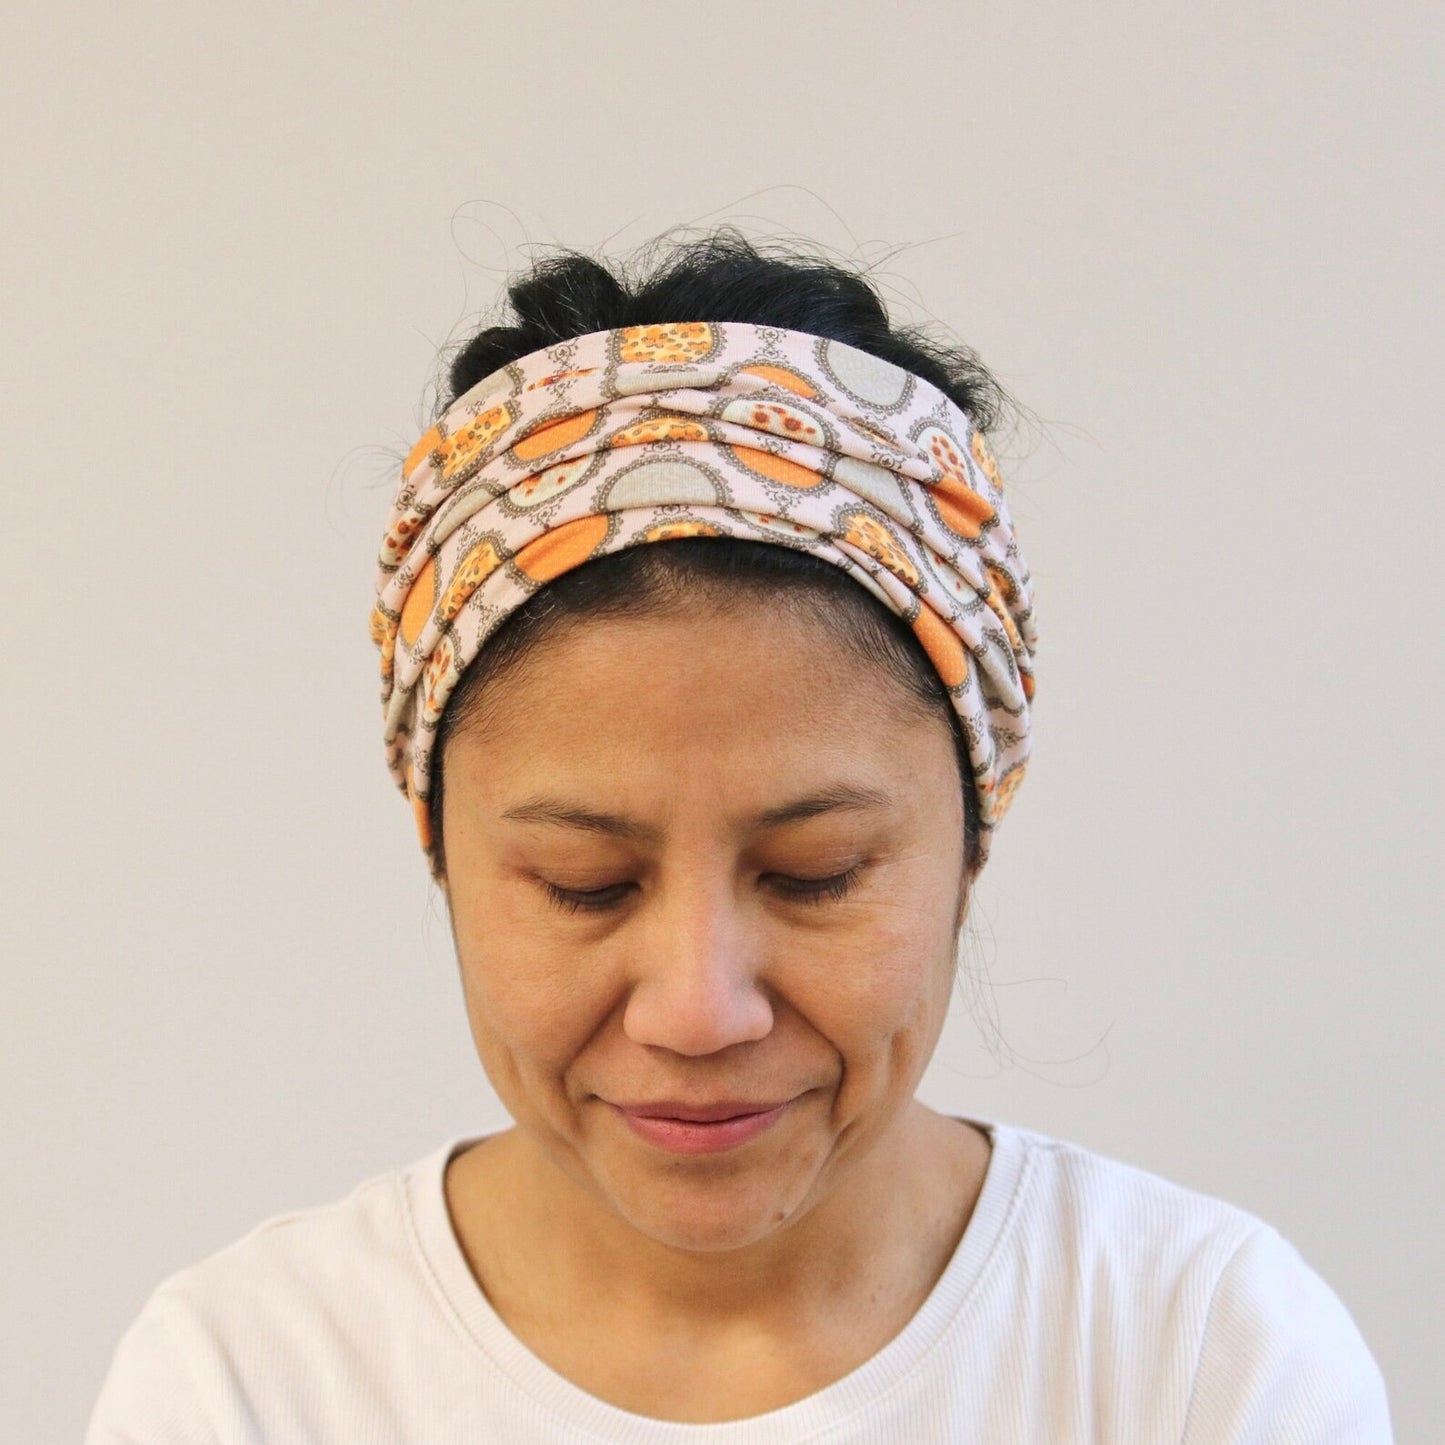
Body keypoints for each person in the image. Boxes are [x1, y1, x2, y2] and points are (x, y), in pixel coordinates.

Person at [85, 229, 1394, 1442]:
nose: (699, 1010)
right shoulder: (252, 1381)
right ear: (440, 847)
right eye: (583, 883)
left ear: (970, 839)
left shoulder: (1196, 1358)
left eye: (813, 873)